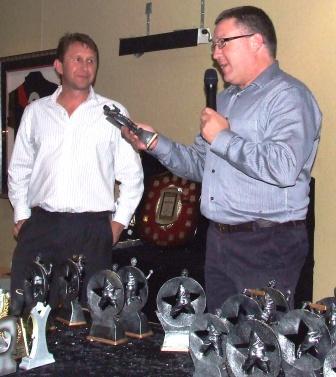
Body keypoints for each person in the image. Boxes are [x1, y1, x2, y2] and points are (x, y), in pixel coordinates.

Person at [122, 6, 321, 313]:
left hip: (268, 243)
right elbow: (201, 165)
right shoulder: (225, 101)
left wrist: (224, 137)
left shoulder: (289, 96)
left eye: (222, 42)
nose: (215, 54)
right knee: (219, 343)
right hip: (218, 241)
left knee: (257, 345)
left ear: (256, 41)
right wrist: (154, 143)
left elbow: (284, 167)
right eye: (214, 45)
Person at [8, 32, 144, 315]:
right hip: (41, 225)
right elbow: (19, 168)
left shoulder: (113, 113)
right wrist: (21, 215)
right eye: (77, 59)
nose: (85, 66)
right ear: (58, 66)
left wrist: (117, 224)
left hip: (92, 230)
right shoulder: (36, 112)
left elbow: (133, 177)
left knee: (90, 314)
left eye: (91, 60)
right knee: (26, 309)